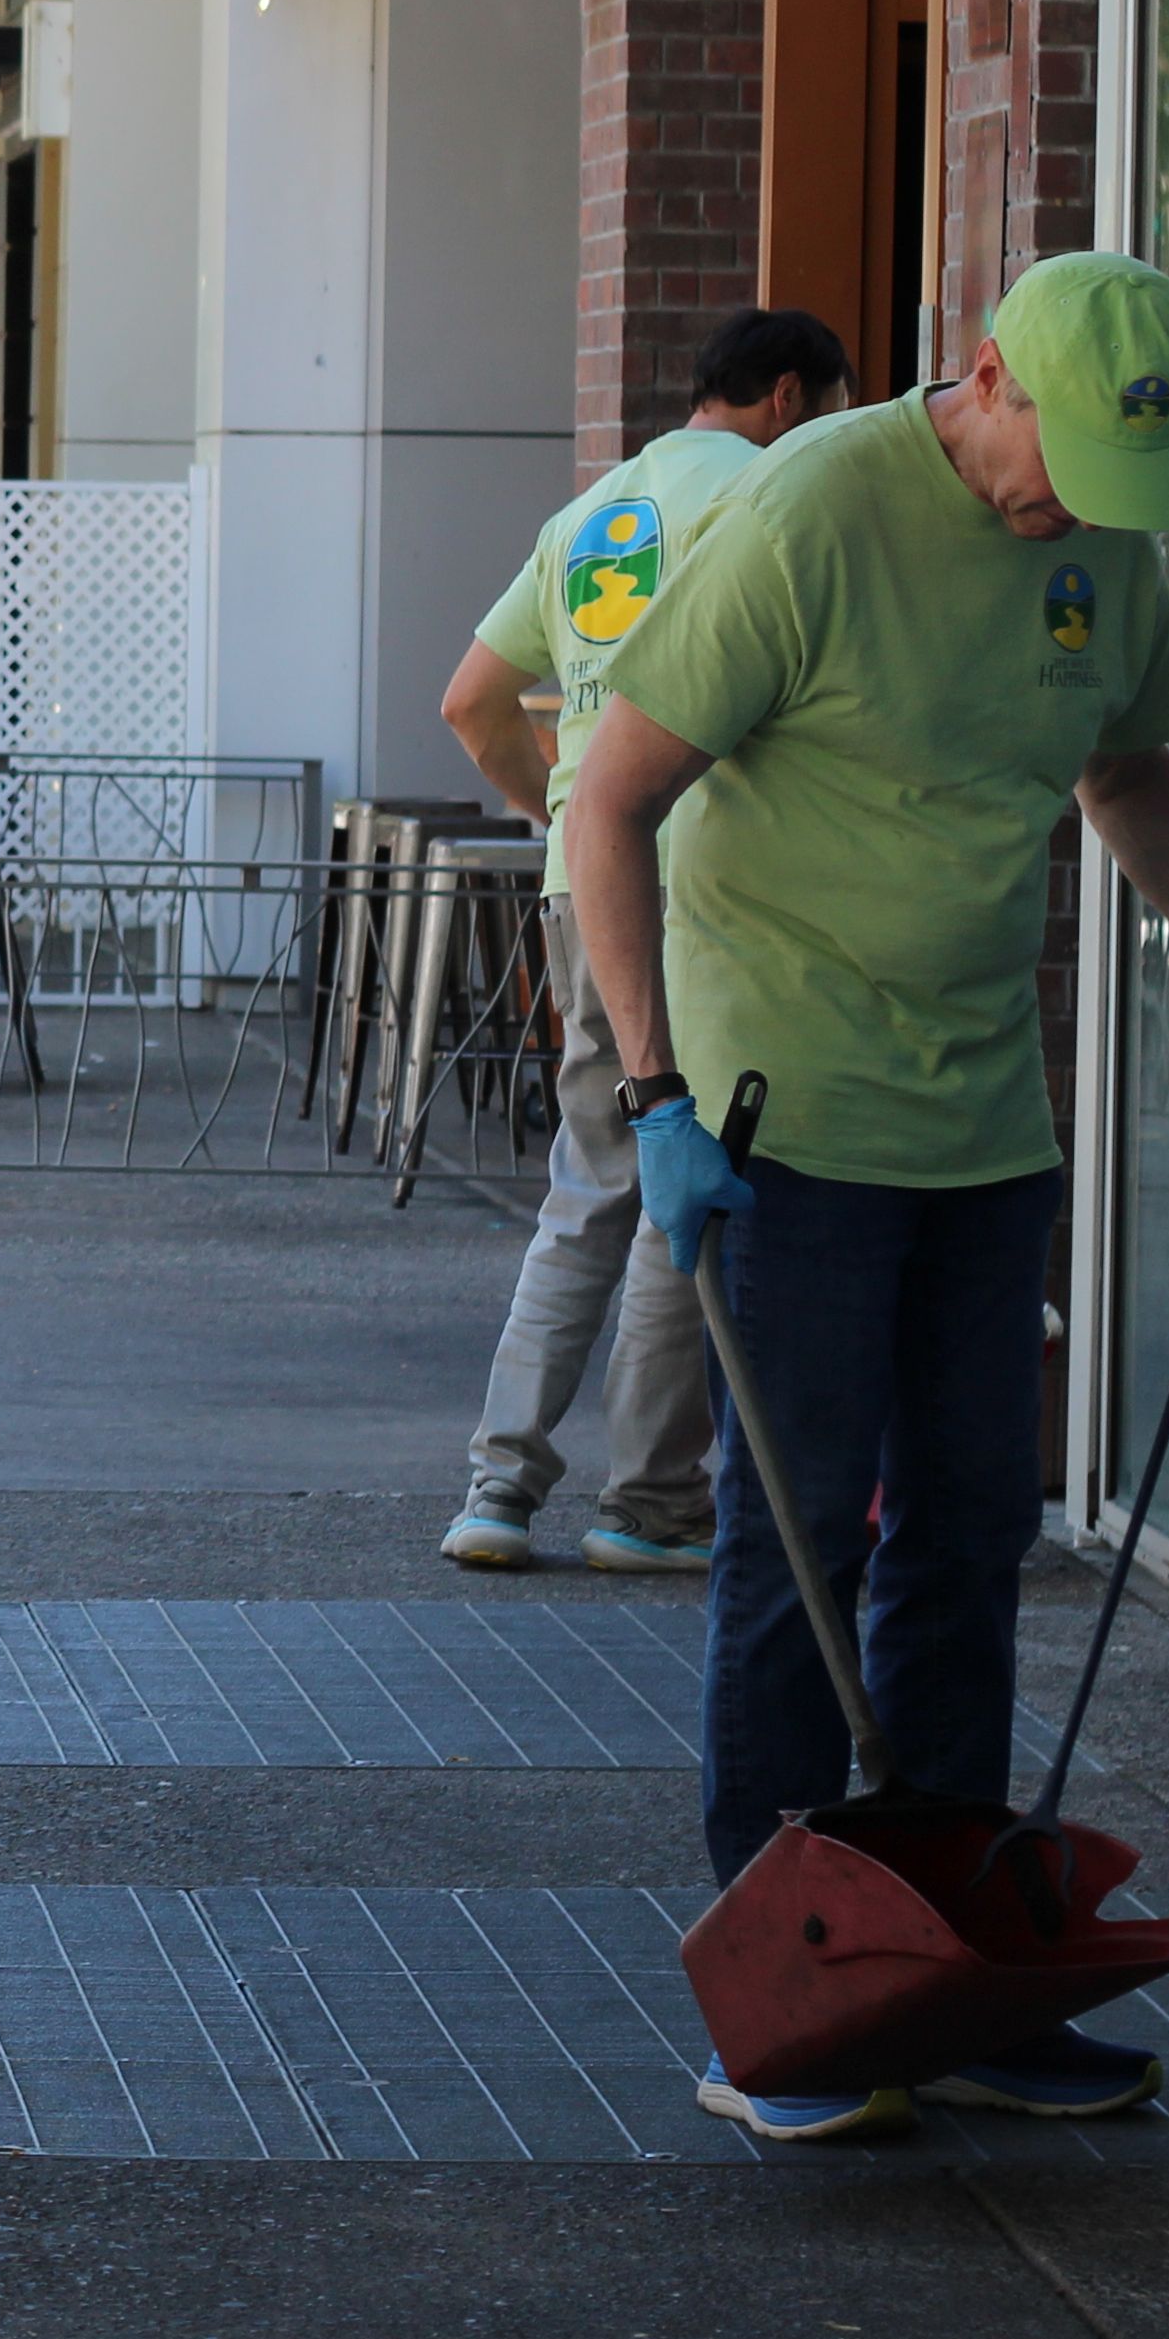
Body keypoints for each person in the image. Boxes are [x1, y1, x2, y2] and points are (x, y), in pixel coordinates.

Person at [572, 251, 1169, 2142]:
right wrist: (651, 1092)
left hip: (979, 1108)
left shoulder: (1094, 535)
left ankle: (953, 1970)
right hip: (777, 1105)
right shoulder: (811, 506)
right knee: (795, 1544)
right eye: (1052, 464)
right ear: (978, 376)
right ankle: (784, 1996)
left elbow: (1124, 768)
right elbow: (609, 792)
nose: (1069, 516)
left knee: (968, 1531)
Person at [430, 306, 851, 1577]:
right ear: (788, 396)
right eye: (828, 406)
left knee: (593, 1175)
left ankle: (498, 1488)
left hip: (581, 885)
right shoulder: (780, 495)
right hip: (708, 890)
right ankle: (650, 1503)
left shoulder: (594, 516)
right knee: (690, 1186)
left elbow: (470, 700)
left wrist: (561, 803)